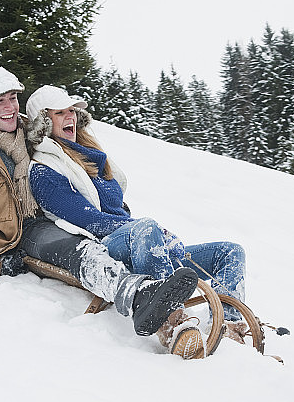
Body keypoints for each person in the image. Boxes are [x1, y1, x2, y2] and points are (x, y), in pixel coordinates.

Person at [0, 64, 203, 358]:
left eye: (13, 99)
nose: (9, 108)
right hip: (19, 235)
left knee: (91, 243)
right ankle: (136, 295)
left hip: (55, 215)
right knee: (77, 249)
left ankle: (159, 293)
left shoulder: (32, 134)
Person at [24, 85, 249, 349]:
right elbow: (89, 221)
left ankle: (229, 330)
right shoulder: (43, 171)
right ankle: (172, 322)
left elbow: (120, 208)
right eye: (59, 113)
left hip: (138, 243)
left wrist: (150, 236)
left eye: (72, 111)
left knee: (230, 252)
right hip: (105, 246)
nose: (70, 117)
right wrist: (149, 232)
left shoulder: (90, 157)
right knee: (146, 227)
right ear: (43, 122)